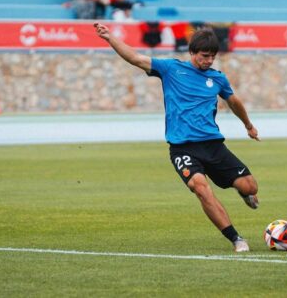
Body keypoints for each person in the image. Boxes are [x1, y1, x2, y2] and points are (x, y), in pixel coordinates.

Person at [93, 24, 260, 252]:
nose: (209, 61)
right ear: (192, 53)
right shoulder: (170, 69)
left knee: (250, 186)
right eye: (204, 56)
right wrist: (110, 37)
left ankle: (244, 194)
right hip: (183, 149)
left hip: (213, 146)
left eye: (212, 56)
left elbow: (234, 102)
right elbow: (134, 57)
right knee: (201, 188)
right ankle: (236, 239)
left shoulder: (218, 79)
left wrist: (248, 125)